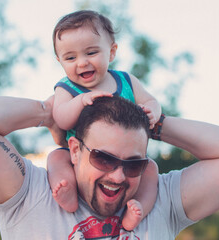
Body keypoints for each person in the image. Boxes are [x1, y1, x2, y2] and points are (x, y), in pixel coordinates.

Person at [0, 95, 219, 239]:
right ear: (75, 150)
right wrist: (48, 113)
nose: (118, 175)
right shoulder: (32, 195)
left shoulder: (160, 199)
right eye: (104, 158)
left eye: (134, 164)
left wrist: (154, 123)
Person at [47, 10, 161, 230]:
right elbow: (60, 119)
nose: (82, 63)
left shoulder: (125, 80)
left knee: (151, 170)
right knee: (55, 158)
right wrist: (80, 101)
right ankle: (68, 191)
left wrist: (152, 111)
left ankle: (138, 208)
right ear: (59, 61)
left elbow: (151, 100)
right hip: (81, 160)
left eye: (91, 52)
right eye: (70, 58)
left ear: (111, 52)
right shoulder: (67, 88)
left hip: (129, 161)